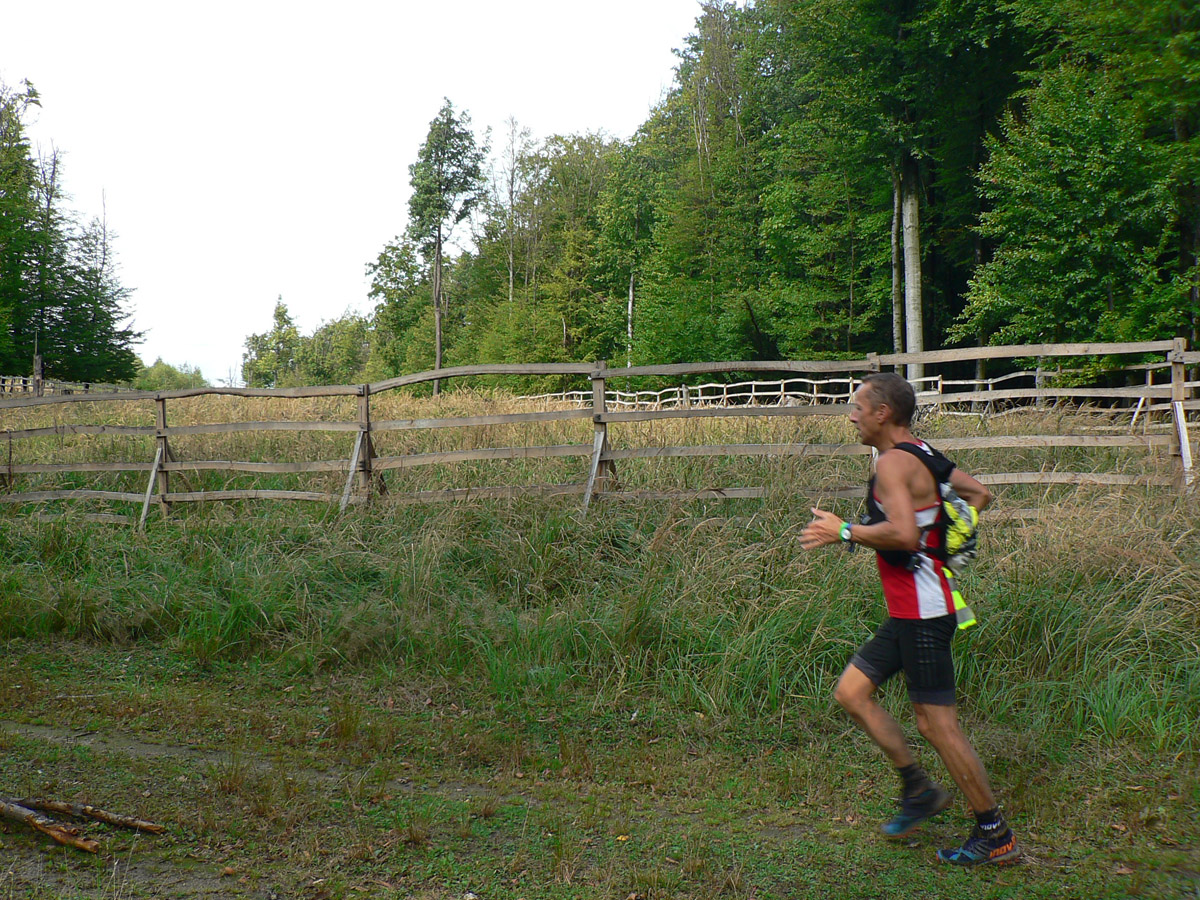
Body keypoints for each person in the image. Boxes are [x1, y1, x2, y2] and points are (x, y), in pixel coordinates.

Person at [799, 372, 1019, 866]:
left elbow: (901, 534)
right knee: (852, 693)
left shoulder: (894, 464)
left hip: (924, 611)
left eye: (858, 407)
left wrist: (845, 530)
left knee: (937, 726)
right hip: (912, 609)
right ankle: (918, 790)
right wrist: (948, 542)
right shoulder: (923, 452)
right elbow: (979, 494)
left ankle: (996, 834)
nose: (851, 416)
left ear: (883, 413)